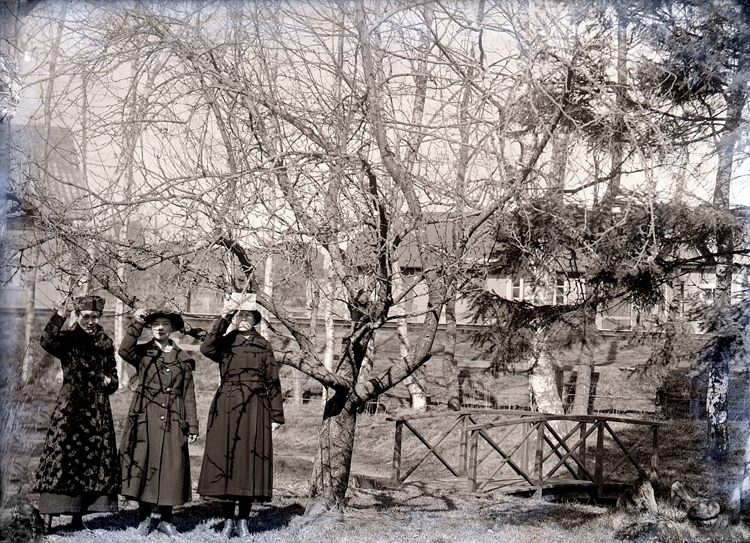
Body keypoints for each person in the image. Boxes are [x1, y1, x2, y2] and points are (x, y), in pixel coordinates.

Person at [198, 299, 284, 538]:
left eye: (248, 316)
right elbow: (205, 348)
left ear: (255, 320)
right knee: (226, 460)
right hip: (226, 405)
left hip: (256, 406)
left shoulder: (263, 345)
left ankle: (244, 521)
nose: (243, 319)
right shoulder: (225, 343)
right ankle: (228, 521)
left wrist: (276, 415)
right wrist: (224, 317)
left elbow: (273, 381)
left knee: (249, 462)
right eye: (240, 315)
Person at [33, 295, 120, 532]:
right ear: (78, 316)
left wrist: (109, 380)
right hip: (70, 409)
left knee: (89, 461)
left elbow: (114, 378)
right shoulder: (68, 339)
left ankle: (78, 518)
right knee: (60, 458)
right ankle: (48, 518)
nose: (91, 321)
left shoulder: (105, 342)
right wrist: (59, 315)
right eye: (86, 316)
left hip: (96, 411)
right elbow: (47, 340)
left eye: (95, 317)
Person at [119, 307, 198, 537]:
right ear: (150, 328)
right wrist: (137, 323)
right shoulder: (144, 353)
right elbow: (124, 350)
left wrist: (192, 424)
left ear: (172, 328)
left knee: (171, 468)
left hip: (174, 417)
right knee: (144, 463)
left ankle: (166, 520)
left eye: (165, 324)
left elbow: (189, 394)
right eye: (155, 324)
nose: (160, 328)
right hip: (146, 415)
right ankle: (144, 519)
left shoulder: (183, 359)